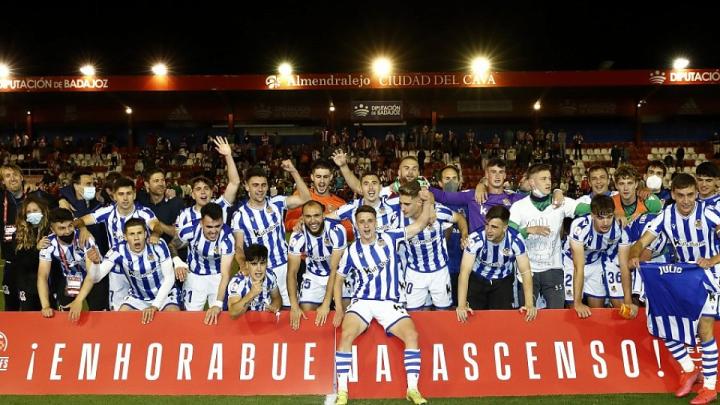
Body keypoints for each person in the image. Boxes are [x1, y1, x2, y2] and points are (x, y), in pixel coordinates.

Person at [332, 193, 435, 405]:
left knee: (412, 335)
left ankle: (412, 389)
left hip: (389, 303)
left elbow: (420, 225)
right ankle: (342, 391)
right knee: (346, 335)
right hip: (362, 302)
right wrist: (340, 309)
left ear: (376, 223)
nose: (366, 225)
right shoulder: (351, 251)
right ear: (356, 225)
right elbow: (338, 279)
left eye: (370, 221)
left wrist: (426, 202)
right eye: (362, 222)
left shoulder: (390, 237)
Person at [629, 173, 720, 403]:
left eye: (690, 195)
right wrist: (634, 256)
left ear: (696, 194)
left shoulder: (709, 212)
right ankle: (689, 369)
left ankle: (710, 387)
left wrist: (713, 259)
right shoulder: (666, 215)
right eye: (681, 195)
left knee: (704, 329)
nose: (686, 200)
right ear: (672, 194)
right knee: (662, 321)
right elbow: (641, 242)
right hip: (682, 276)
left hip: (709, 275)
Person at [66, 218, 179, 324]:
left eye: (139, 233)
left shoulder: (158, 245)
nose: (136, 238)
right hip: (139, 298)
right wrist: (95, 264)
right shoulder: (118, 250)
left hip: (165, 295)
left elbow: (169, 278)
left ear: (145, 234)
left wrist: (155, 306)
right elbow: (96, 278)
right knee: (120, 320)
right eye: (132, 234)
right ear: (125, 237)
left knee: (173, 315)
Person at [75, 177, 162, 310]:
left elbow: (156, 226)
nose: (125, 198)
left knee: (147, 308)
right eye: (121, 194)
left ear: (134, 195)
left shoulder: (143, 212)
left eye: (128, 193)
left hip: (141, 270)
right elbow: (79, 221)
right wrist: (83, 229)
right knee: (119, 312)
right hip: (117, 271)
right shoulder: (107, 211)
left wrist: (155, 234)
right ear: (114, 196)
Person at [509, 164, 590, 309]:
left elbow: (587, 209)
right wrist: (528, 230)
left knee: (556, 315)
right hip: (527, 270)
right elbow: (509, 236)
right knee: (528, 315)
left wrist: (608, 206)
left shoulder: (559, 202)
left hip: (553, 268)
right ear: (532, 182)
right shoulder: (519, 207)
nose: (548, 182)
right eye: (543, 179)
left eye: (549, 179)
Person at [231, 162, 311, 308]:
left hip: (285, 268)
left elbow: (305, 198)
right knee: (265, 313)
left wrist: (293, 171)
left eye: (263, 185)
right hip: (261, 271)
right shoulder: (240, 216)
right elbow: (239, 247)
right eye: (255, 185)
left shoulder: (277, 203)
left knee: (291, 310)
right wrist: (243, 266)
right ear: (247, 186)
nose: (260, 189)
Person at [398, 180, 467, 310]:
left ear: (419, 202)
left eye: (407, 204)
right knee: (414, 314)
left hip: (439, 272)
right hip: (414, 273)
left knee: (443, 312)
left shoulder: (439, 212)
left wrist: (464, 234)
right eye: (400, 203)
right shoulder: (398, 219)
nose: (402, 208)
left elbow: (459, 218)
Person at [456, 206, 536, 318]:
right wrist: (461, 305)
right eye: (487, 224)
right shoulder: (475, 239)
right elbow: (464, 272)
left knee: (502, 320)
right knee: (472, 318)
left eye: (494, 227)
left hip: (503, 281)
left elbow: (525, 271)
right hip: (478, 280)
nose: (488, 230)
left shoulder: (516, 240)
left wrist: (529, 304)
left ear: (504, 228)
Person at [565, 195, 635, 316]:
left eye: (609, 217)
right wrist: (578, 303)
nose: (605, 222)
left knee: (598, 311)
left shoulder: (621, 229)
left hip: (596, 262)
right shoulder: (580, 227)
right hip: (572, 263)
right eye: (600, 218)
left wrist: (628, 302)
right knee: (574, 310)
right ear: (592, 215)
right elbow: (578, 267)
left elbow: (624, 267)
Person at [287, 201, 347, 330]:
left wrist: (326, 303)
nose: (313, 220)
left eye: (316, 215)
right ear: (302, 217)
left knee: (346, 310)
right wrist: (294, 306)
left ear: (323, 215)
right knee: (306, 313)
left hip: (339, 274)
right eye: (308, 216)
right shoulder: (297, 236)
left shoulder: (336, 231)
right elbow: (291, 273)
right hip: (314, 275)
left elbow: (334, 270)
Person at [173, 203, 235, 324]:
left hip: (218, 277)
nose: (214, 231)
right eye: (209, 227)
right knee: (190, 319)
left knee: (220, 317)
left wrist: (218, 304)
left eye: (217, 226)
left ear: (222, 222)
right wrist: (177, 262)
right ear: (201, 223)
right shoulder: (190, 229)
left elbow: (225, 274)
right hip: (194, 275)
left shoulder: (227, 238)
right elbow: (172, 245)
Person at [38, 208, 106, 316]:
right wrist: (45, 306)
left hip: (94, 279)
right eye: (61, 228)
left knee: (99, 314)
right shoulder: (48, 243)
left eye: (70, 226)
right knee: (65, 313)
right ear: (52, 229)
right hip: (71, 280)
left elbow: (92, 274)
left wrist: (78, 301)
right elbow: (43, 275)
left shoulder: (85, 238)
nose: (67, 231)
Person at [175, 136, 241, 228]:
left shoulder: (220, 206)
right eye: (198, 189)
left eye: (206, 188)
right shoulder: (184, 215)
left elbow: (234, 183)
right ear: (193, 195)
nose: (203, 192)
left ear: (211, 192)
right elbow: (178, 236)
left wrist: (228, 156)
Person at [284, 160, 352, 236]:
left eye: (325, 177)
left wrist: (332, 222)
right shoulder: (301, 196)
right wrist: (299, 222)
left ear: (331, 177)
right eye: (318, 177)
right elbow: (287, 224)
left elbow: (350, 233)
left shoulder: (340, 203)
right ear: (312, 177)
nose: (322, 181)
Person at [13, 195, 50, 311]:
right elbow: (21, 262)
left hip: (49, 283)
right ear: (24, 215)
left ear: (42, 211)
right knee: (29, 317)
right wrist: (36, 248)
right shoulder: (19, 234)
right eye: (29, 212)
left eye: (35, 210)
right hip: (28, 284)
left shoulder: (51, 230)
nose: (32, 214)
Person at [227, 244, 281, 318]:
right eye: (254, 264)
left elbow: (276, 298)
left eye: (262, 263)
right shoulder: (238, 282)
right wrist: (251, 294)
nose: (259, 269)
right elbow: (233, 312)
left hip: (265, 321)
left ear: (267, 263)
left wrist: (273, 307)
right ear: (247, 265)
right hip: (244, 322)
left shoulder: (270, 276)